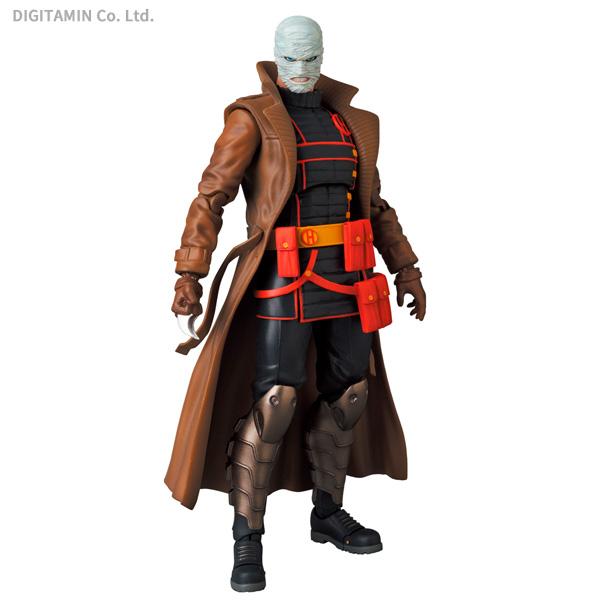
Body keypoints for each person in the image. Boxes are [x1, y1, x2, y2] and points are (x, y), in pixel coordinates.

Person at [167, 15, 426, 593]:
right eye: (291, 58)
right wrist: (189, 271)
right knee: (275, 401)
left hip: (351, 280)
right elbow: (211, 196)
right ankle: (247, 536)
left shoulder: (348, 123)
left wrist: (405, 267)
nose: (302, 69)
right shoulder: (253, 118)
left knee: (349, 393)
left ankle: (327, 514)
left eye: (311, 57)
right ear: (276, 58)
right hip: (284, 279)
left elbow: (374, 204)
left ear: (323, 56)